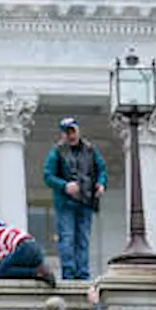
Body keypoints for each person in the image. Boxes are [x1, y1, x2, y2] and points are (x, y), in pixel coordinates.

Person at [43, 117, 107, 280]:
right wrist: (65, 185)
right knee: (67, 237)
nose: (70, 135)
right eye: (67, 132)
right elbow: (48, 176)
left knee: (83, 239)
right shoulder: (56, 152)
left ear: (78, 131)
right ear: (62, 134)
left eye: (72, 131)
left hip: (85, 200)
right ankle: (69, 273)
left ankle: (83, 274)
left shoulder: (90, 150)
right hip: (66, 202)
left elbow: (101, 169)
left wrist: (101, 184)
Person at [0, 212, 55, 285]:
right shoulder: (4, 229)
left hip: (23, 247)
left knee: (1, 272)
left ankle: (37, 272)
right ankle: (41, 272)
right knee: (14, 270)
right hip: (36, 248)